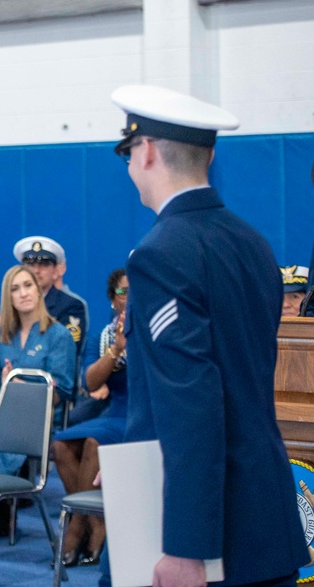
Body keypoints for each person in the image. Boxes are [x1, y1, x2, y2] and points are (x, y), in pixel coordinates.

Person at [112, 84, 307, 587]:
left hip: (210, 532)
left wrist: (185, 547)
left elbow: (191, 402)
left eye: (130, 151)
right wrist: (137, 463)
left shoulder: (159, 254)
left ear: (146, 151)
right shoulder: (252, 242)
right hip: (263, 512)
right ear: (210, 154)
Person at [0, 265, 76, 473]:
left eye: (28, 286)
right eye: (15, 289)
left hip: (35, 415)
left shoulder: (58, 335)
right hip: (1, 408)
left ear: (38, 290)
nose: (23, 293)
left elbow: (62, 392)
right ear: (8, 297)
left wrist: (22, 389)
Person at [51, 268, 129, 568]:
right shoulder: (103, 337)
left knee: (95, 442)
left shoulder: (154, 331)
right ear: (112, 300)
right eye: (122, 292)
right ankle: (96, 524)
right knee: (60, 445)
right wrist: (117, 349)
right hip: (116, 410)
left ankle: (76, 528)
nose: (129, 297)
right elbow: (91, 383)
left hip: (144, 414)